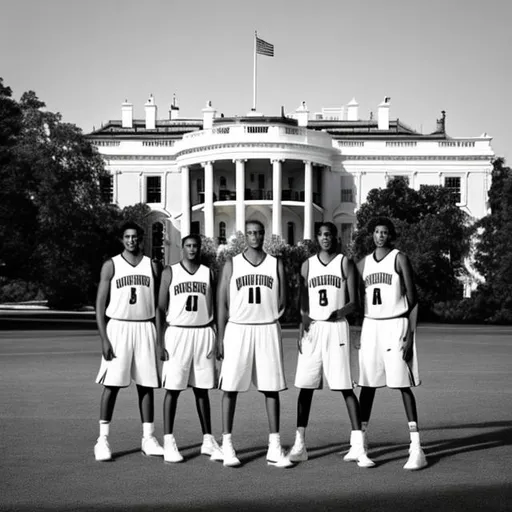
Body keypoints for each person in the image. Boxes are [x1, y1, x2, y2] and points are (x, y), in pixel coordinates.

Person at [288, 222, 374, 468]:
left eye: (329, 235)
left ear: (335, 237)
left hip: (336, 327)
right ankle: (299, 444)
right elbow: (302, 301)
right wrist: (300, 327)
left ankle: (358, 445)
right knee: (305, 386)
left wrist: (338, 312)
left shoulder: (344, 262)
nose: (325, 238)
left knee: (345, 386)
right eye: (322, 235)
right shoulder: (307, 265)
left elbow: (355, 302)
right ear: (316, 237)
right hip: (313, 328)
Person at [216, 220, 292, 468]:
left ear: (264, 235)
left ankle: (274, 445)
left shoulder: (276, 263)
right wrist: (219, 336)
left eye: (258, 233)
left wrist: (271, 315)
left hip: (267, 328)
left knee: (271, 389)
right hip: (238, 329)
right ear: (244, 236)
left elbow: (283, 301)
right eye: (250, 233)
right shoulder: (231, 263)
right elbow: (221, 304)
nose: (254, 237)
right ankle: (227, 444)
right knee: (231, 388)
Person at [356, 217, 427, 470]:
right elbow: (353, 298)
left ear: (390, 235)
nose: (380, 236)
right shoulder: (363, 263)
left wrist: (411, 335)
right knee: (367, 384)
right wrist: (356, 330)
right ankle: (360, 442)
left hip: (396, 324)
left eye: (384, 232)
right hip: (371, 325)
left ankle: (416, 446)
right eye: (376, 232)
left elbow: (414, 299)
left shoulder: (399, 258)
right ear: (371, 235)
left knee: (402, 384)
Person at [94, 221, 163, 461]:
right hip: (118, 327)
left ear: (141, 239)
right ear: (122, 239)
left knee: (146, 385)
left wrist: (159, 337)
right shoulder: (111, 265)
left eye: (135, 237)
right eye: (127, 237)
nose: (131, 240)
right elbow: (100, 305)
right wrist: (104, 338)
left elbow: (158, 305)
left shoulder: (152, 265)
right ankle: (102, 439)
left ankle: (148, 438)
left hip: (145, 327)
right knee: (112, 385)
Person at [156, 234, 223, 463]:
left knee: (202, 390)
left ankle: (207, 440)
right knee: (173, 389)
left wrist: (217, 336)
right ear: (182, 248)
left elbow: (213, 307)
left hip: (203, 332)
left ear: (199, 249)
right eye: (188, 246)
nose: (192, 249)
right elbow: (160, 308)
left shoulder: (208, 272)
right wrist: (159, 341)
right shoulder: (170, 272)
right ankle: (168, 441)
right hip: (177, 333)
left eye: (195, 246)